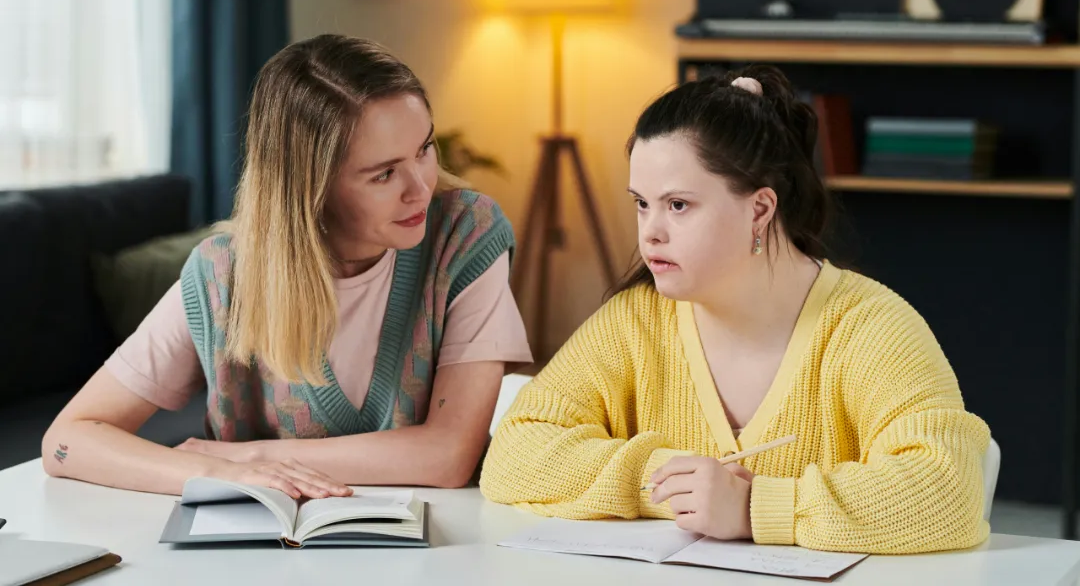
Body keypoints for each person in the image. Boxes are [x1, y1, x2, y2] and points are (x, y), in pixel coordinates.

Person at [479, 65, 991, 554]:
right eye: (642, 203)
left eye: (678, 205)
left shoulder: (870, 327)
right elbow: (514, 453)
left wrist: (752, 508)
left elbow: (949, 489)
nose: (650, 231)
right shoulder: (637, 319)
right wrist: (666, 483)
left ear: (760, 209)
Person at [43, 34, 532, 499]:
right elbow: (68, 440)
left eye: (424, 149)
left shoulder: (464, 233)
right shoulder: (223, 275)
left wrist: (251, 455)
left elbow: (449, 455)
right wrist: (212, 469)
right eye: (384, 174)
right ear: (309, 188)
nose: (420, 188)